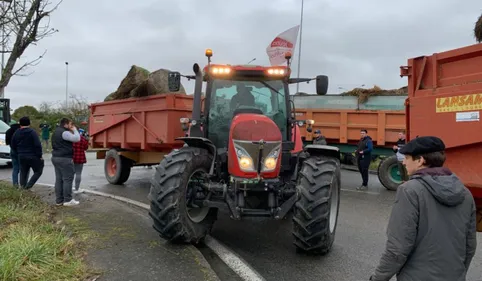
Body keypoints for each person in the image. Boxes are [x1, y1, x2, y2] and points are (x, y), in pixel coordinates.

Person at [370, 136, 477, 281]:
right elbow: (469, 246)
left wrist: (378, 278)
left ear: (420, 160)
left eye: (407, 157)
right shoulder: (465, 193)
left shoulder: (409, 191)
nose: (403, 161)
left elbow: (397, 249)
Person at [51, 118, 81, 206]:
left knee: (59, 179)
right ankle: (68, 200)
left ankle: (59, 200)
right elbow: (77, 138)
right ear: (65, 124)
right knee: (68, 179)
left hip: (55, 157)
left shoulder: (56, 132)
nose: (71, 126)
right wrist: (74, 129)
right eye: (70, 124)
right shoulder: (64, 132)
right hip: (65, 158)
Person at [10, 116, 44, 189]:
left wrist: (18, 152)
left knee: (23, 172)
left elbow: (13, 144)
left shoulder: (17, 132)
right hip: (32, 155)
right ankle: (28, 186)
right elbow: (37, 144)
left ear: (20, 124)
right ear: (29, 123)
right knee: (38, 171)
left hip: (21, 155)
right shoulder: (32, 132)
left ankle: (23, 188)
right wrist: (39, 155)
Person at [72, 128, 89, 193]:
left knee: (70, 174)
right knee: (78, 173)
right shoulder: (82, 139)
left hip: (72, 157)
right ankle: (77, 188)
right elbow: (86, 148)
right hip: (80, 157)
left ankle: (69, 187)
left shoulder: (71, 138)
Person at [5, 121, 21, 187]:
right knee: (23, 169)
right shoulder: (20, 131)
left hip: (12, 150)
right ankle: (24, 184)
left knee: (15, 168)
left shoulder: (8, 131)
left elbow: (7, 142)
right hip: (21, 151)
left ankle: (15, 184)